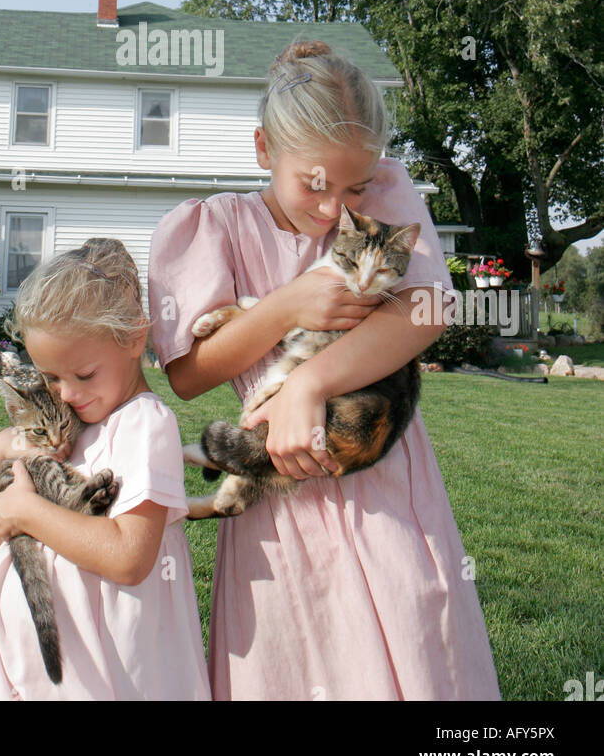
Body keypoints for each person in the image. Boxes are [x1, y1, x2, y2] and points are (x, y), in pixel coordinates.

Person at [148, 40, 502, 702]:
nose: (334, 207)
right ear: (263, 149)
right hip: (276, 498)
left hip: (385, 488)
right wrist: (288, 303)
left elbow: (423, 311)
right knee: (299, 660)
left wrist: (309, 382)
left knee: (411, 643)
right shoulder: (215, 226)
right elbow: (189, 373)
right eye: (314, 183)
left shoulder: (386, 205)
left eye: (356, 186)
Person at [0, 238, 211, 701]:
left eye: (82, 375)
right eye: (51, 377)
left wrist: (29, 513)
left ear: (133, 338)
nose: (65, 394)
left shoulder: (145, 425)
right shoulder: (75, 424)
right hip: (51, 667)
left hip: (115, 670)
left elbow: (129, 558)